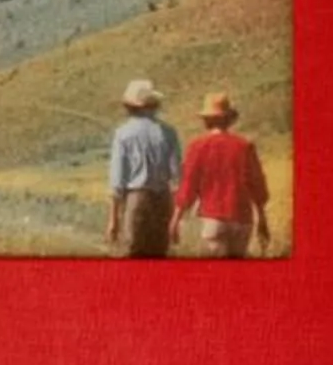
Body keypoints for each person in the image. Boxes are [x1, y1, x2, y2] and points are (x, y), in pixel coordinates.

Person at [173, 91, 272, 259]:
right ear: (229, 119)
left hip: (214, 219)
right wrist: (262, 219)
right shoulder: (244, 146)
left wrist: (175, 220)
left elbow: (188, 186)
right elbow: (258, 186)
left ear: (207, 120)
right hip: (242, 220)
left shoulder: (198, 147)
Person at [105, 79, 182, 259]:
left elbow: (117, 179)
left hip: (137, 198)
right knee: (160, 254)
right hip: (163, 198)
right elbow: (176, 173)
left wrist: (113, 219)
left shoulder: (123, 133)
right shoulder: (168, 132)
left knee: (134, 253)